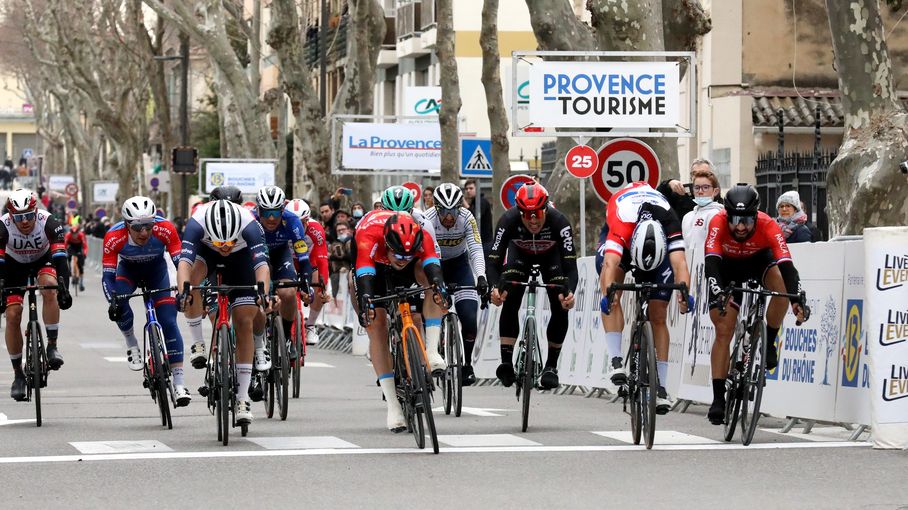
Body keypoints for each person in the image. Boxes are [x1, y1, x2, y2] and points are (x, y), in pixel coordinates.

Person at [704, 184, 808, 425]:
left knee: (781, 288)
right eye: (736, 221)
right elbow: (711, 263)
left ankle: (769, 339)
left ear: (756, 217)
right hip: (726, 266)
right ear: (727, 216)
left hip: (758, 261)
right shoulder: (717, 222)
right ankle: (718, 398)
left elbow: (787, 266)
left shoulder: (768, 225)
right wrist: (719, 292)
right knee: (723, 329)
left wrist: (796, 300)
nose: (741, 227)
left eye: (747, 221)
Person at [176, 200, 274, 426]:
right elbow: (184, 263)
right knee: (191, 285)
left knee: (244, 321)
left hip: (242, 260)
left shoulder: (249, 225)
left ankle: (242, 399)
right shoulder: (196, 223)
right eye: (220, 241)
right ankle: (199, 343)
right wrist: (183, 292)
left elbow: (261, 266)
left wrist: (264, 293)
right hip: (206, 253)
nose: (225, 246)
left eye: (229, 241)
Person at [598, 181, 692, 414]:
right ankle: (617, 360)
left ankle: (660, 386)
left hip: (656, 246)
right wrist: (608, 294)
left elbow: (680, 263)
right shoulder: (622, 220)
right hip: (625, 242)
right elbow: (610, 263)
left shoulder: (670, 221)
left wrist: (684, 295)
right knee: (612, 292)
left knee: (658, 314)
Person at [351, 211, 448, 431]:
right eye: (399, 255)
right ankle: (393, 406)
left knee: (433, 286)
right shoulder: (369, 234)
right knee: (377, 324)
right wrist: (367, 302)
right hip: (373, 264)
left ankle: (431, 352)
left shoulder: (422, 236)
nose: (402, 260)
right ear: (387, 242)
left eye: (407, 255)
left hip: (406, 262)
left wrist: (439, 288)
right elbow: (364, 275)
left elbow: (434, 267)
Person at [487, 183, 577, 390]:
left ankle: (551, 366)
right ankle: (507, 363)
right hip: (519, 257)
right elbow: (493, 261)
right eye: (526, 215)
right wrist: (494, 288)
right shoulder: (508, 220)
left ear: (545, 209)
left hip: (551, 258)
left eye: (537, 213)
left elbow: (570, 267)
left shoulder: (559, 222)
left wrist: (569, 292)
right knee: (508, 294)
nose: (533, 220)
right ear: (519, 212)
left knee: (560, 301)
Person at [102, 197, 191, 406]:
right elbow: (108, 277)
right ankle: (132, 342)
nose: (144, 232)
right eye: (137, 227)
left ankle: (179, 383)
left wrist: (184, 290)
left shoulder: (165, 229)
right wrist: (112, 301)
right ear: (126, 224)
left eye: (148, 226)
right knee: (120, 303)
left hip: (157, 271)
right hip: (128, 272)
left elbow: (181, 265)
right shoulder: (114, 236)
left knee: (168, 321)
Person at [0, 189, 72, 401]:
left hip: (43, 260)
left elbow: (60, 258)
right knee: (13, 315)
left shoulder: (49, 222)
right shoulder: (3, 226)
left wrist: (64, 289)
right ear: (11, 216)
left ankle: (52, 346)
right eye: (19, 218)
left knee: (49, 286)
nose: (24, 222)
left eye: (28, 216)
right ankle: (18, 375)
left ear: (36, 211)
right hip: (13, 267)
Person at [424, 183, 486, 386]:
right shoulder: (428, 219)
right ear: (437, 208)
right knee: (432, 308)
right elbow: (429, 252)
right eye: (444, 212)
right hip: (435, 265)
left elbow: (475, 249)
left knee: (469, 318)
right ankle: (433, 353)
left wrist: (481, 277)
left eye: (453, 211)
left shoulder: (467, 218)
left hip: (460, 265)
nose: (449, 217)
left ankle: (467, 365)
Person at [252, 186, 313, 373]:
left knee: (287, 292)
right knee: (255, 295)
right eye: (267, 212)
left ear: (282, 211)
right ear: (259, 210)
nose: (271, 218)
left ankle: (286, 336)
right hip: (255, 256)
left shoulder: (292, 221)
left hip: (280, 255)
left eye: (276, 212)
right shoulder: (250, 221)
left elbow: (302, 255)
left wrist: (305, 279)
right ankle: (255, 341)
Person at [286, 198, 330, 346]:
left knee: (319, 286)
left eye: (303, 223)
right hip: (288, 262)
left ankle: (310, 325)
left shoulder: (316, 229)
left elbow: (322, 259)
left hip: (309, 262)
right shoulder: (282, 227)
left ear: (308, 220)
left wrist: (322, 287)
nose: (298, 226)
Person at [681, 163, 724, 247]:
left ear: (715, 191)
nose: (700, 191)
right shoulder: (687, 217)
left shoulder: (718, 215)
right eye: (697, 187)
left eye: (705, 187)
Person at [327, 222, 353, 298]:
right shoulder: (334, 244)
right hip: (336, 276)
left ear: (348, 230)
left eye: (343, 229)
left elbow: (351, 256)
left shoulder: (352, 241)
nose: (341, 232)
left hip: (351, 273)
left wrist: (331, 256)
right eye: (339, 230)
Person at [463, 179, 492, 246]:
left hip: (484, 242)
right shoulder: (473, 202)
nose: (468, 191)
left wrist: (465, 203)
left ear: (477, 189)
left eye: (471, 188)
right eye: (466, 189)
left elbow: (474, 218)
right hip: (477, 241)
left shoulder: (482, 202)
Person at [65, 221, 88, 292]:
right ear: (71, 233)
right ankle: (69, 270)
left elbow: (85, 246)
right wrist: (64, 252)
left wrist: (84, 254)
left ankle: (81, 283)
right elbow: (64, 245)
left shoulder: (81, 235)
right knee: (67, 257)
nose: (74, 235)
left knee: (80, 265)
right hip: (71, 247)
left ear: (78, 232)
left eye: (75, 234)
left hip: (78, 247)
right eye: (73, 234)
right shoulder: (68, 235)